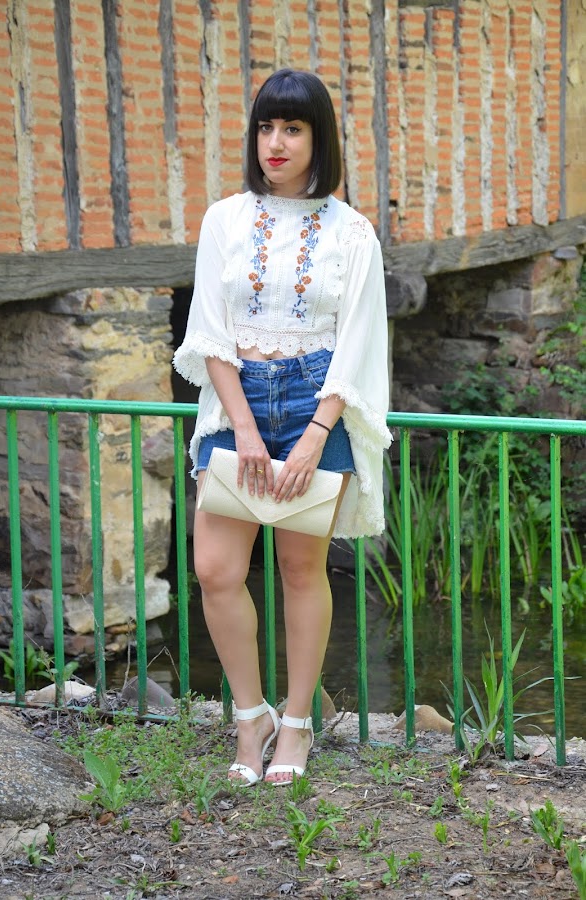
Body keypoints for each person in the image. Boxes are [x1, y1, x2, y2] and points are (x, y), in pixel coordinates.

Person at [173, 68, 392, 785]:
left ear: (317, 138)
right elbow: (210, 331)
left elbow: (359, 341)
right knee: (216, 570)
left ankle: (296, 722)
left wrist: (314, 434)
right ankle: (251, 716)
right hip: (236, 400)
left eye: (292, 128)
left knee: (301, 570)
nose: (276, 142)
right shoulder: (225, 219)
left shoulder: (353, 232)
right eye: (266, 126)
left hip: (313, 401)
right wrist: (241, 426)